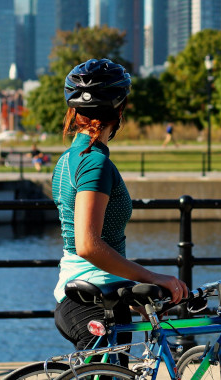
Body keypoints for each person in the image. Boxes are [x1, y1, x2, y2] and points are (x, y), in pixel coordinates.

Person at [52, 59, 188, 358]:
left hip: (94, 296)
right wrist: (152, 277)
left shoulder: (68, 159)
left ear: (74, 111)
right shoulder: (93, 163)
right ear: (119, 111)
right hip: (94, 303)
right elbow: (88, 246)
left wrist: (131, 294)